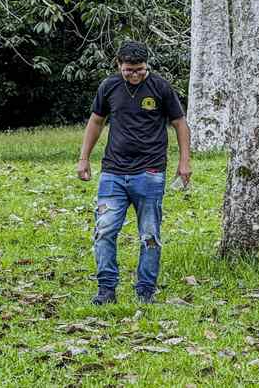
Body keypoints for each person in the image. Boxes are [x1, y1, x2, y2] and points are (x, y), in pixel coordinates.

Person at [76, 41, 192, 305]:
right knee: (104, 231)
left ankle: (145, 290)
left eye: (140, 69)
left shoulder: (160, 87)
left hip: (149, 173)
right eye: (129, 70)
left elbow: (180, 123)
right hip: (113, 173)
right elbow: (96, 121)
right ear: (119, 65)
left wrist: (184, 161)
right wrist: (84, 158)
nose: (135, 75)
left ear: (147, 65)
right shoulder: (109, 87)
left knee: (150, 234)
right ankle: (106, 289)